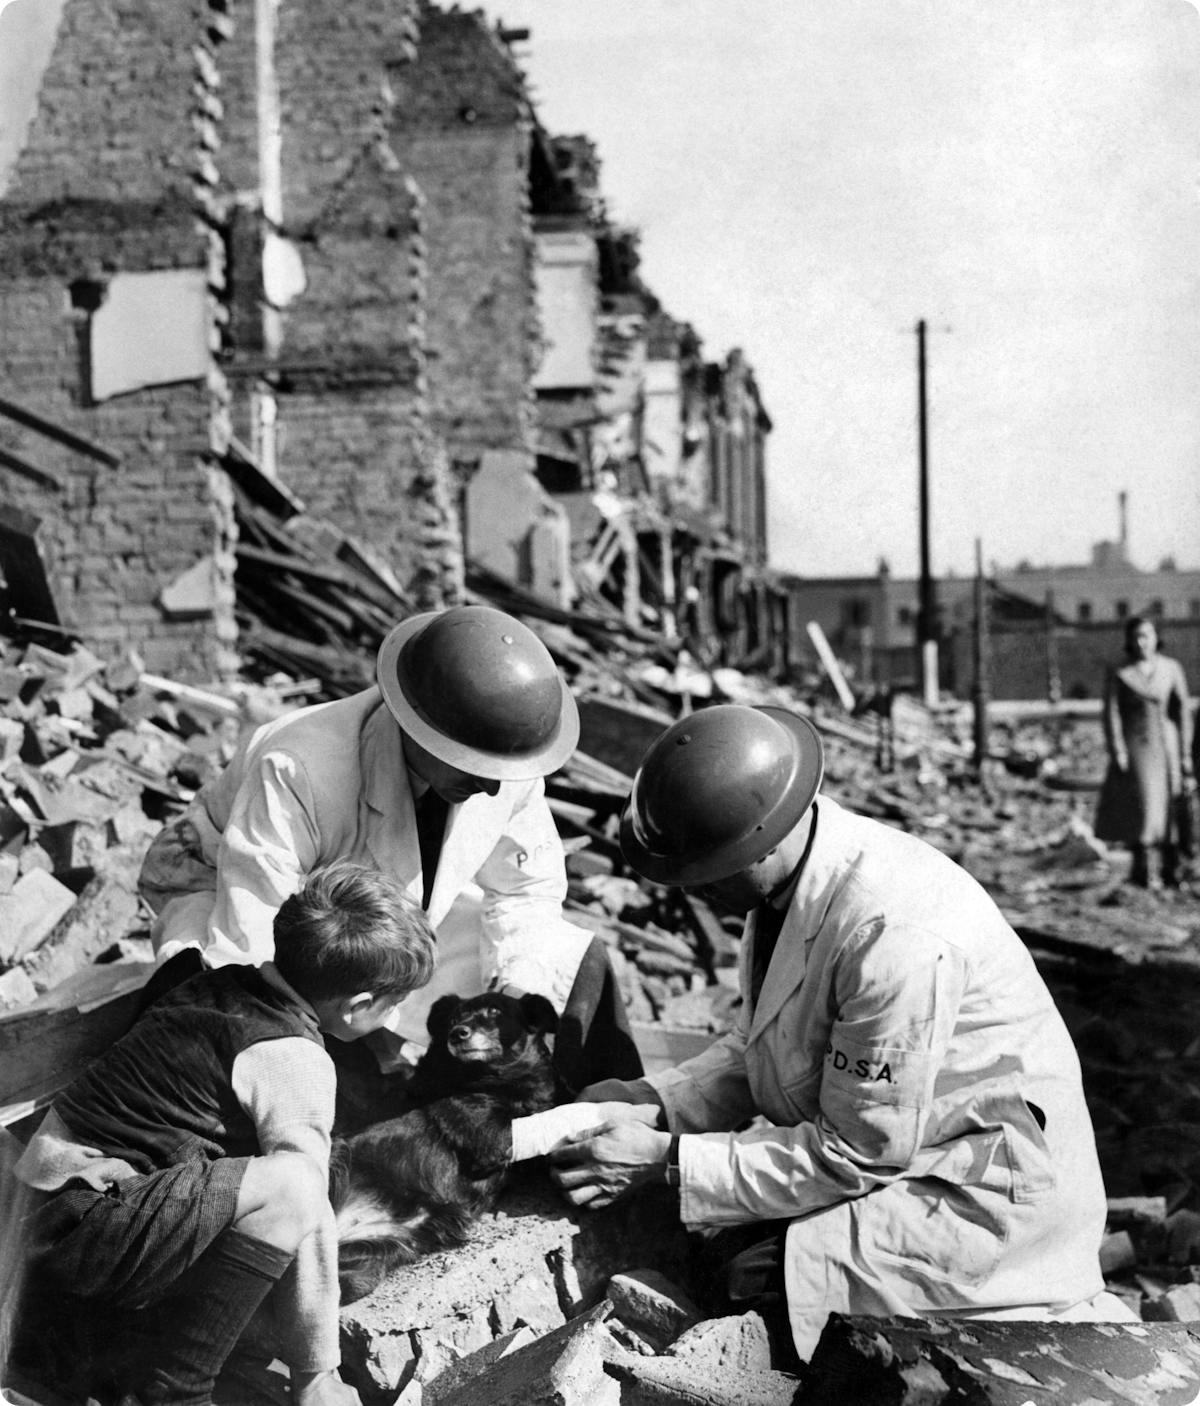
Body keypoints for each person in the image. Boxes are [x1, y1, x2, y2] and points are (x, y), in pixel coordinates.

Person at [548, 704, 1128, 1366]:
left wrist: (665, 1160)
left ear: (759, 844)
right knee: (718, 1240)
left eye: (700, 878)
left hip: (981, 1187)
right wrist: (653, 1101)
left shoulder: (891, 936)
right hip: (904, 1145)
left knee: (747, 1280)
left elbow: (856, 1152)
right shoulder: (784, 881)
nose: (692, 895)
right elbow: (761, 1042)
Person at [137, 604, 642, 1094]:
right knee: (237, 1040)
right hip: (243, 902)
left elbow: (527, 891)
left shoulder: (502, 758)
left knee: (570, 957)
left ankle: (594, 1115)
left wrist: (512, 994)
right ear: (418, 727)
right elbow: (255, 940)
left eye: (499, 775)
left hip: (386, 921)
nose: (491, 789)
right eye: (474, 768)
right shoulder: (300, 767)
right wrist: (366, 1039)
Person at [8, 862, 436, 1406]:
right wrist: (317, 1371)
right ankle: (178, 1389)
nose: (396, 1012)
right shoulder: (291, 1056)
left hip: (33, 1214)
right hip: (78, 1238)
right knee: (294, 1185)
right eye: (395, 1002)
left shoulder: (217, 983)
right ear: (359, 1006)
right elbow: (307, 1211)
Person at [1093, 614, 1193, 889]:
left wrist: (1185, 753)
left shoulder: (1171, 668)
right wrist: (1118, 750)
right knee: (1143, 807)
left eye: (1146, 635)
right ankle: (1143, 870)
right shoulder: (1120, 671)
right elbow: (1111, 712)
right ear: (1129, 640)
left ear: (1156, 638)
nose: (1141, 642)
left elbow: (1182, 712)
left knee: (1172, 805)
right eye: (1136, 636)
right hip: (1138, 746)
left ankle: (1173, 869)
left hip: (1168, 745)